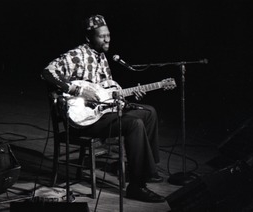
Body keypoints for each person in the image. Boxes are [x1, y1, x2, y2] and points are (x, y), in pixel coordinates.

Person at [42, 14, 165, 203]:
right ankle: (137, 186)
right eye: (102, 36)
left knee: (149, 112)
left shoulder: (102, 58)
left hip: (101, 113)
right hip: (83, 119)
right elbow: (47, 72)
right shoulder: (77, 55)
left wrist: (125, 97)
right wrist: (77, 89)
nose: (107, 39)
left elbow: (106, 93)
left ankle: (146, 171)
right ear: (88, 37)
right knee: (134, 124)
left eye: (108, 35)